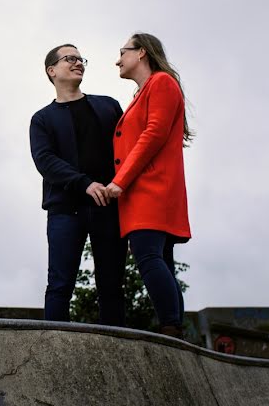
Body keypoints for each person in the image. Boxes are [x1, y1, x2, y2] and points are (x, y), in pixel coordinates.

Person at [29, 44, 127, 326]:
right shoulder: (42, 119)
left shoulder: (108, 106)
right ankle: (55, 347)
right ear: (52, 71)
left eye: (80, 59)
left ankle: (116, 346)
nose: (78, 63)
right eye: (69, 58)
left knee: (111, 283)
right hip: (65, 210)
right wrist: (83, 183)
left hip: (109, 207)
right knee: (60, 284)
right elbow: (45, 161)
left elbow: (127, 148)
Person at [105, 33, 192, 338]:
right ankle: (173, 327)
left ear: (141, 52)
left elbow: (153, 134)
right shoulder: (144, 92)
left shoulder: (161, 83)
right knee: (160, 259)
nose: (118, 60)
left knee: (149, 257)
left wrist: (120, 181)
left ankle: (170, 328)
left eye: (122, 52)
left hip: (150, 188)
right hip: (145, 189)